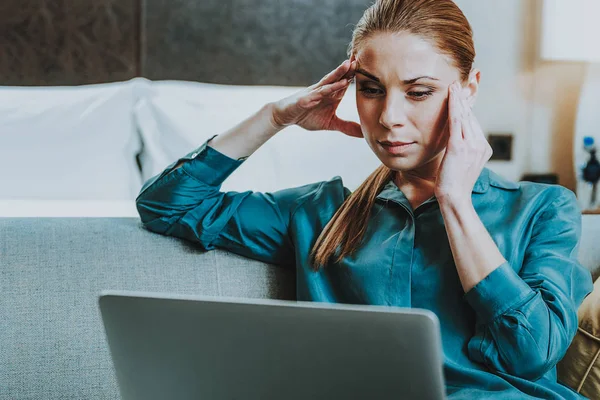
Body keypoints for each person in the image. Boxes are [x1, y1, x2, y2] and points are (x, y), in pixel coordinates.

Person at [135, 0, 594, 398]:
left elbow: (532, 352)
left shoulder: (542, 208)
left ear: (468, 90)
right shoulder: (319, 214)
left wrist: (455, 201)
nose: (389, 117)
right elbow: (168, 205)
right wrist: (274, 116)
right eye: (371, 89)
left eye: (419, 92)